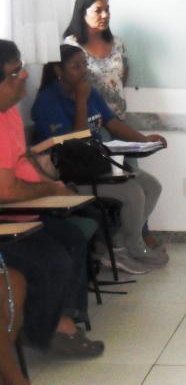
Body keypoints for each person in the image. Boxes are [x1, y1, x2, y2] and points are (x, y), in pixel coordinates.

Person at [0, 39, 104, 358]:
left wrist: (53, 185)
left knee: (73, 237)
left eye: (21, 69)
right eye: (15, 73)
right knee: (52, 260)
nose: (24, 76)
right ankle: (45, 330)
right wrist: (48, 191)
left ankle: (63, 321)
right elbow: (6, 191)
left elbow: (24, 160)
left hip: (23, 211)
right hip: (8, 218)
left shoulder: (9, 112)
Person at [30, 44, 169, 274]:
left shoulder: (89, 92)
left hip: (97, 163)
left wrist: (144, 139)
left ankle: (117, 244)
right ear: (58, 70)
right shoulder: (48, 101)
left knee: (152, 186)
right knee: (133, 193)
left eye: (84, 64)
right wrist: (81, 102)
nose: (83, 70)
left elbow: (112, 123)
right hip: (71, 173)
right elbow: (75, 141)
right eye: (76, 66)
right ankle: (132, 247)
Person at [63, 0, 163, 249]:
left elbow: (122, 74)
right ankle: (118, 240)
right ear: (82, 12)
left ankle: (138, 232)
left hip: (118, 120)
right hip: (93, 124)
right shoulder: (71, 45)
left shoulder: (117, 42)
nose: (105, 15)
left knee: (135, 174)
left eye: (107, 9)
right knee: (113, 182)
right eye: (98, 10)